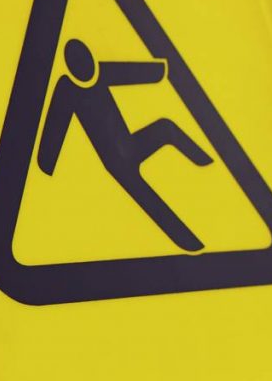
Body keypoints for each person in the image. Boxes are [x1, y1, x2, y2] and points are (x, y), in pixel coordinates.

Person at [35, 38, 215, 251]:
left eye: (85, 58)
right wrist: (46, 163)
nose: (85, 65)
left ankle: (207, 163)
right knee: (147, 196)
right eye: (78, 60)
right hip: (116, 162)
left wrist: (161, 70)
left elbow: (131, 72)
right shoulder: (67, 89)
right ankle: (186, 239)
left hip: (130, 143)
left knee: (165, 128)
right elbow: (55, 125)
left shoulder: (100, 73)